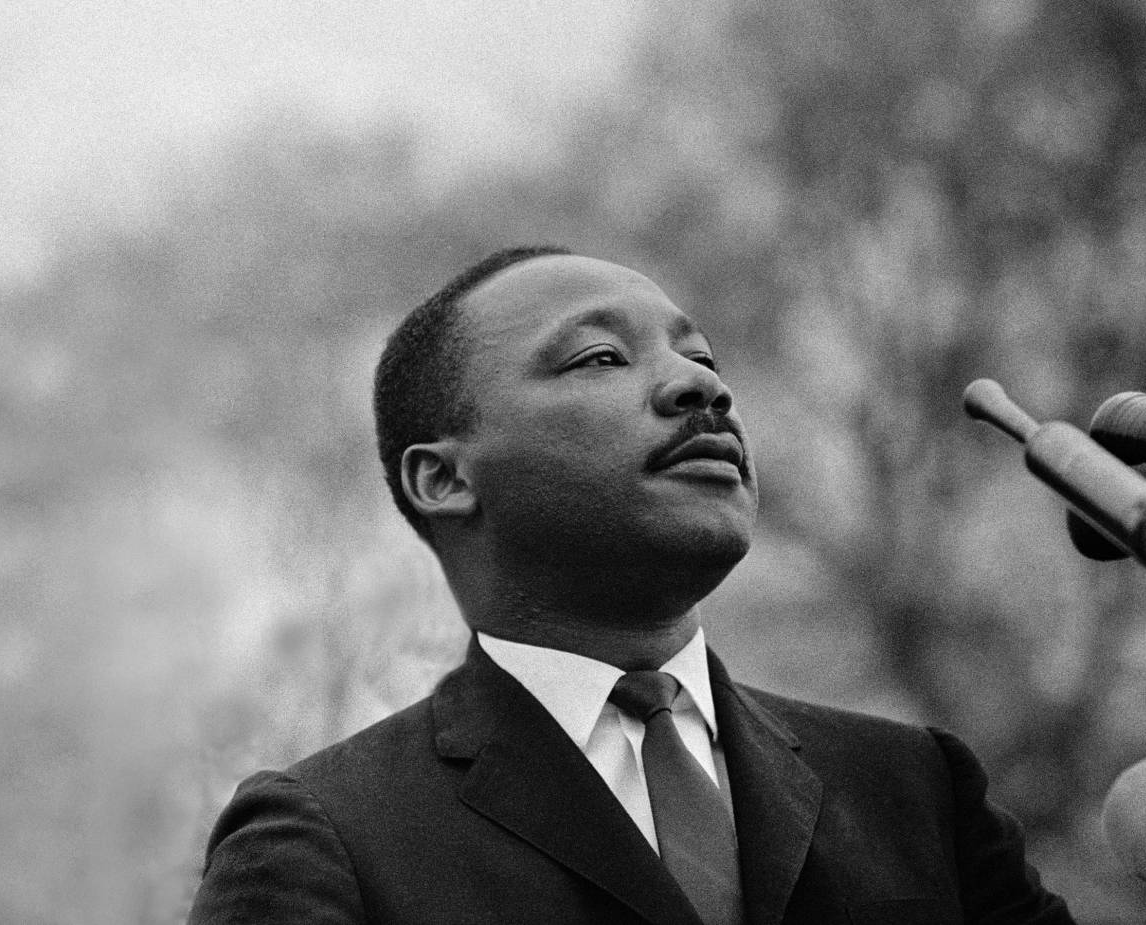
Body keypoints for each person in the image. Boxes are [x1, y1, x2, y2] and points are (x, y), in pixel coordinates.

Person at [188, 246, 1074, 924]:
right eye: (602, 358)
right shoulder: (329, 837)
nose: (700, 387)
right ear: (446, 479)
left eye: (707, 360)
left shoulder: (916, 787)